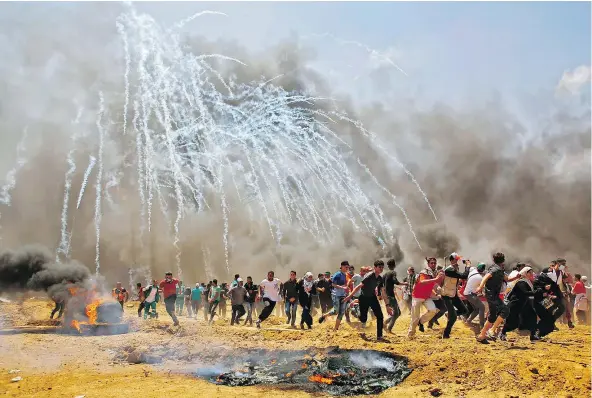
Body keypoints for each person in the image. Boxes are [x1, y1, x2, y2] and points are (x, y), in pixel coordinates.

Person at [475, 252, 520, 344]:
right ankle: (491, 330)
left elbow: (507, 279)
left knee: (492, 316)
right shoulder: (496, 269)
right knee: (505, 310)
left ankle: (482, 335)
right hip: (492, 295)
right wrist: (480, 286)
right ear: (503, 260)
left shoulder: (497, 268)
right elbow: (486, 277)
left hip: (492, 295)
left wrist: (516, 277)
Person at [500, 267, 552, 342]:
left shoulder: (528, 282)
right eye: (529, 272)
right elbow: (525, 292)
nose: (531, 274)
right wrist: (539, 292)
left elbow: (533, 292)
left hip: (524, 303)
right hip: (515, 304)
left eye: (532, 272)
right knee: (513, 322)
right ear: (525, 273)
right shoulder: (521, 282)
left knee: (533, 316)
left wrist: (543, 290)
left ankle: (533, 336)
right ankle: (502, 333)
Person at [345, 260, 386, 341]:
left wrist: (387, 305)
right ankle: (354, 309)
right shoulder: (369, 276)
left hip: (372, 297)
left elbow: (382, 291)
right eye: (379, 267)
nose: (381, 269)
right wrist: (349, 296)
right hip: (363, 298)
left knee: (380, 316)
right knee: (363, 319)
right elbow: (359, 286)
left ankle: (379, 336)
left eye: (382, 267)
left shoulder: (380, 278)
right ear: (375, 268)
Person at [408, 257, 444, 339]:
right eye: (432, 263)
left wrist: (438, 289)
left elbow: (433, 283)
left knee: (433, 310)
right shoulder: (424, 272)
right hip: (417, 296)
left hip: (426, 296)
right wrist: (436, 279)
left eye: (434, 263)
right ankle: (411, 334)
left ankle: (421, 322)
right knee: (415, 318)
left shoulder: (434, 273)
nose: (433, 264)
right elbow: (422, 282)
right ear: (428, 264)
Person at [440, 253, 470, 338]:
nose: (457, 262)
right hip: (446, 295)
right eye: (456, 260)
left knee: (464, 311)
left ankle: (449, 314)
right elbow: (464, 276)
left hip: (453, 294)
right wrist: (467, 266)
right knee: (453, 317)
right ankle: (446, 334)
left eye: (458, 260)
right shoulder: (449, 270)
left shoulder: (454, 270)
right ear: (452, 260)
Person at [318, 261, 350, 331]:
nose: (347, 268)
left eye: (348, 267)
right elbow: (333, 285)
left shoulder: (346, 275)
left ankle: (335, 329)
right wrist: (343, 287)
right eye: (346, 267)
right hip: (336, 295)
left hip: (343, 295)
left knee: (341, 312)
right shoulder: (337, 274)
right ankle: (324, 316)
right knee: (336, 311)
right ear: (341, 266)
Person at [382, 259, 407, 333]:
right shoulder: (393, 272)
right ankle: (389, 328)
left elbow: (382, 285)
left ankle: (385, 323)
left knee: (398, 313)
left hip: (387, 295)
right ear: (394, 265)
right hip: (391, 296)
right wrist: (405, 283)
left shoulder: (385, 274)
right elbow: (396, 282)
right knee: (396, 313)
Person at [464, 263, 487, 329]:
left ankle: (468, 321)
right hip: (471, 294)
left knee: (477, 309)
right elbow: (482, 289)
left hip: (467, 293)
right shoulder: (480, 278)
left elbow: (470, 267)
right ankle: (482, 326)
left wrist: (468, 263)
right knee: (482, 307)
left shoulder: (472, 270)